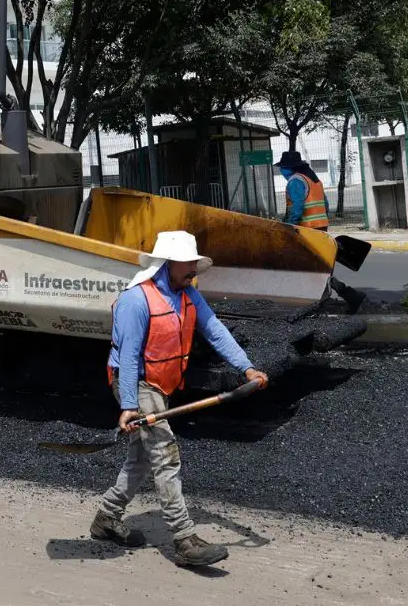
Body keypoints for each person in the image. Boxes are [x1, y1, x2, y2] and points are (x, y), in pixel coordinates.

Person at [90, 230, 269, 567]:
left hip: (161, 385)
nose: (194, 270)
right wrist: (128, 405)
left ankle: (106, 518)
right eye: (189, 264)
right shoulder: (136, 300)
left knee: (141, 459)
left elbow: (215, 329)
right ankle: (185, 539)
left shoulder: (186, 294)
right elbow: (128, 358)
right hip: (137, 383)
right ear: (169, 263)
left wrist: (246, 368)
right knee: (165, 454)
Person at [275, 150, 365, 312]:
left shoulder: (295, 182)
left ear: (289, 168)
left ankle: (340, 297)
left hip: (306, 231)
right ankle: (342, 296)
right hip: (320, 229)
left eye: (282, 168)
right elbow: (326, 204)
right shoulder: (314, 180)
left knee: (310, 268)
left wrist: (288, 229)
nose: (281, 171)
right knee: (315, 268)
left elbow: (296, 210)